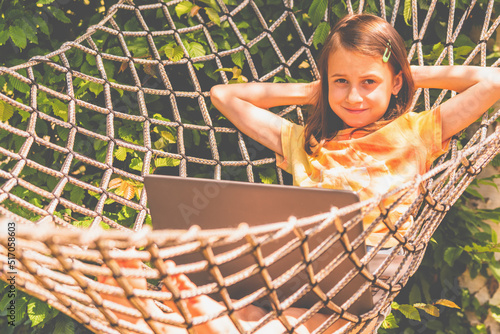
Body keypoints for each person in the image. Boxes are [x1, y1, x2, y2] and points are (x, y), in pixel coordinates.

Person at [99, 13, 500, 333]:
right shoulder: (304, 142)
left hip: (369, 264)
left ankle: (180, 313)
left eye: (369, 82)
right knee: (266, 316)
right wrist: (313, 88)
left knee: (297, 323)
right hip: (299, 265)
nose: (354, 96)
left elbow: (493, 81)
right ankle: (154, 314)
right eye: (340, 82)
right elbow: (224, 96)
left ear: (394, 82)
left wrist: (407, 75)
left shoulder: (418, 131)